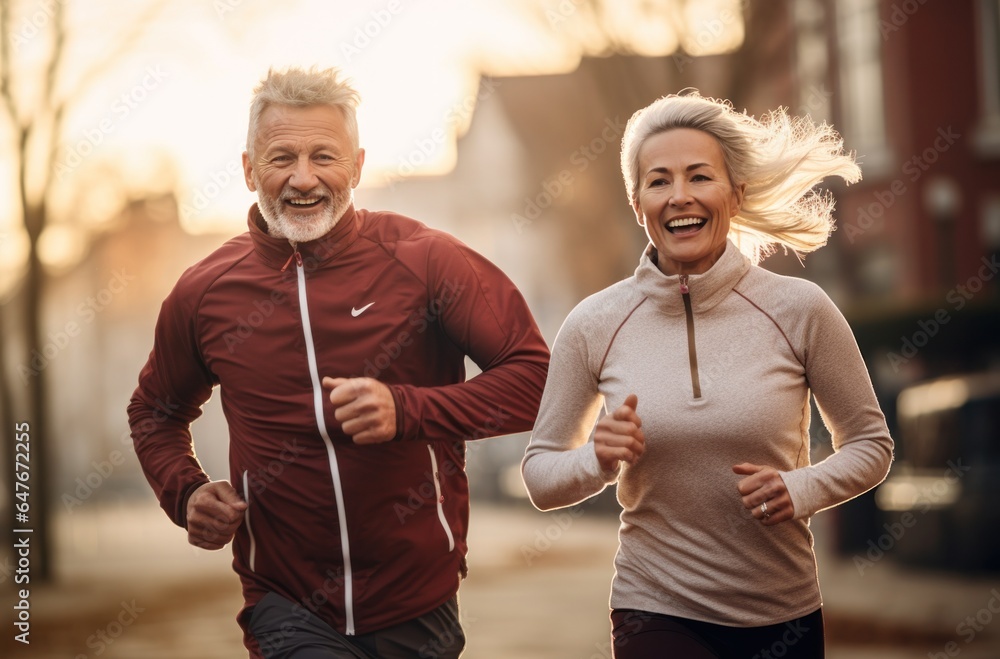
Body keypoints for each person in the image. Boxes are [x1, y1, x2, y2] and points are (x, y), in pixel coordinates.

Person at [128, 66, 549, 659]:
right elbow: (155, 410)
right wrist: (187, 492)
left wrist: (407, 410)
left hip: (417, 597)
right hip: (285, 602)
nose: (304, 178)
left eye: (324, 156)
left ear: (356, 165)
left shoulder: (427, 261)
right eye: (281, 158)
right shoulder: (204, 292)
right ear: (250, 170)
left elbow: (534, 379)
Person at [521, 91, 894, 658]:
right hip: (655, 606)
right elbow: (541, 476)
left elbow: (871, 444)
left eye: (700, 177)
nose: (680, 197)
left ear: (735, 193)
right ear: (637, 201)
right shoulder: (594, 324)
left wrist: (801, 487)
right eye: (659, 181)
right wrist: (595, 458)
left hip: (782, 611)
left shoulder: (800, 308)